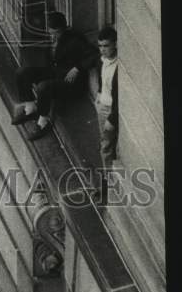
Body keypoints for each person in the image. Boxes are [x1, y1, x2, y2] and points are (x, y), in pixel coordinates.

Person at [11, 11, 98, 140]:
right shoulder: (51, 37)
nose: (53, 36)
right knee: (22, 73)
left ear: (64, 28)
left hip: (70, 84)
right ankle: (30, 108)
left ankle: (43, 122)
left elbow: (94, 53)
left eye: (56, 33)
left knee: (43, 87)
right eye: (51, 32)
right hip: (55, 73)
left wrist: (77, 68)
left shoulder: (75, 39)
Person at [95, 26, 119, 191]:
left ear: (115, 44)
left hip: (112, 110)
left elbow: (120, 97)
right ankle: (108, 180)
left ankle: (109, 184)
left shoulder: (119, 65)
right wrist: (98, 93)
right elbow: (101, 77)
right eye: (101, 46)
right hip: (102, 106)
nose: (103, 50)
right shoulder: (101, 60)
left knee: (108, 145)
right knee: (105, 144)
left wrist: (112, 118)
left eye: (106, 46)